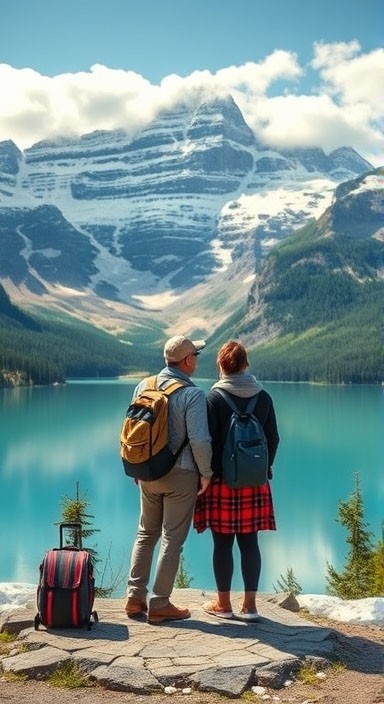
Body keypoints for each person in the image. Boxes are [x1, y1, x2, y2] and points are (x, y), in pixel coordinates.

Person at [125, 335, 212, 624]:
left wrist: (137, 466)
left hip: (147, 473)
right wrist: (207, 474)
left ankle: (135, 598)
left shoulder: (143, 385)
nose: (196, 360)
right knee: (172, 539)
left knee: (145, 533)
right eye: (195, 356)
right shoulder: (193, 394)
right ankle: (160, 603)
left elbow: (133, 430)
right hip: (181, 475)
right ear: (187, 361)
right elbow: (200, 440)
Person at [194, 340, 279, 621]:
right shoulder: (263, 397)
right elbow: (273, 439)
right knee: (249, 543)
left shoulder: (213, 398)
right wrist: (264, 468)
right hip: (254, 482)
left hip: (221, 481)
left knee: (222, 545)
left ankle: (224, 606)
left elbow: (205, 442)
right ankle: (251, 607)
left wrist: (205, 474)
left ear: (221, 366)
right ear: (245, 365)